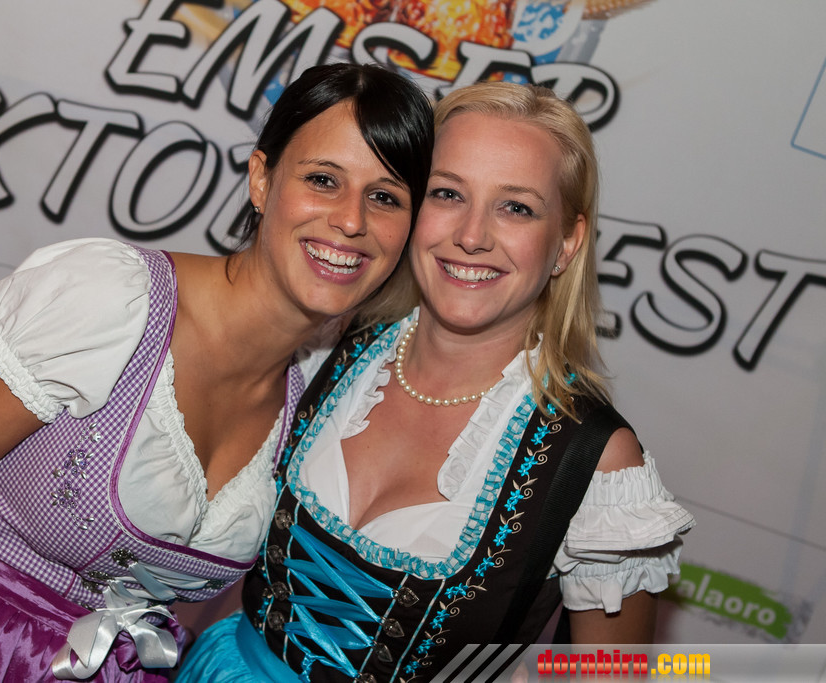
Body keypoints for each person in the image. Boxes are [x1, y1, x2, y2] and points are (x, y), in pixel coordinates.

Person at [0, 63, 433, 682]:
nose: (351, 220)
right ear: (261, 178)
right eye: (323, 179)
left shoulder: (330, 390)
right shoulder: (108, 297)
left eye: (385, 197)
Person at [174, 81, 695, 682]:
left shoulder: (597, 463)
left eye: (516, 207)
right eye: (447, 193)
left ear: (567, 242)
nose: (472, 236)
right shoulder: (327, 346)